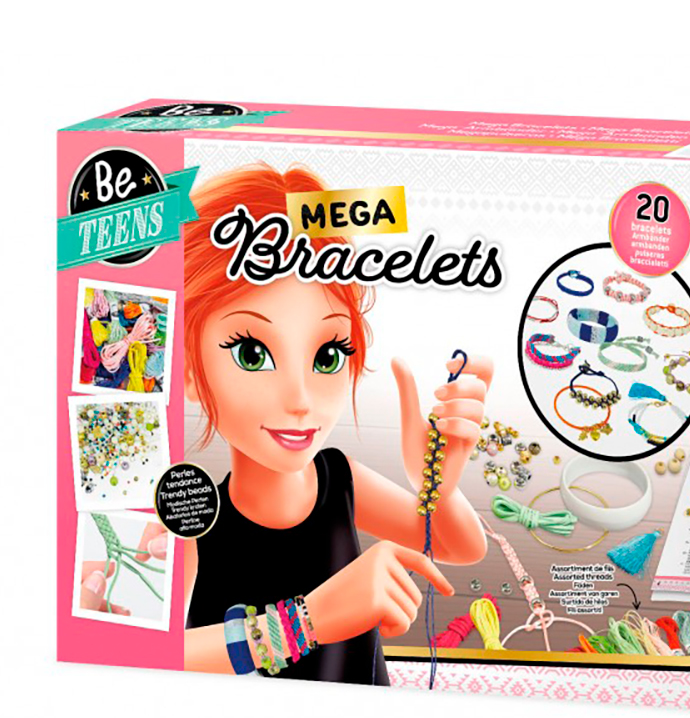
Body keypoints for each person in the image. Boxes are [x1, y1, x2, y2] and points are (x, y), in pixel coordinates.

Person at [182, 164, 489, 683]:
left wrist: (436, 482)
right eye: (252, 354)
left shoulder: (339, 478)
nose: (300, 399)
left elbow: (460, 546)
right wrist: (307, 622)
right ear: (191, 371)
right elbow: (140, 655)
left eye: (327, 355)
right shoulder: (191, 522)